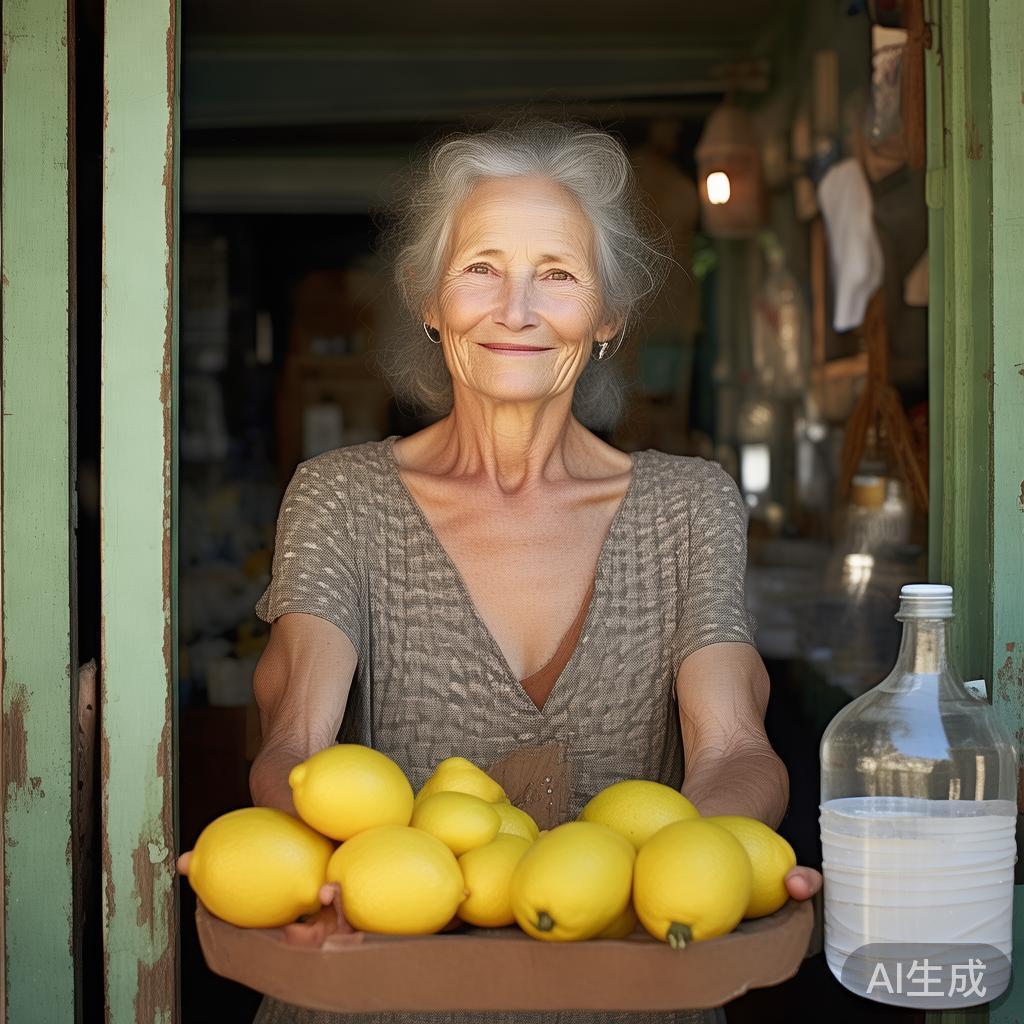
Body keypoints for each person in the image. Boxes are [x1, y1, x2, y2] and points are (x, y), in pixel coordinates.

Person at [180, 119, 822, 1024]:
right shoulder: (341, 497)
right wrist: (318, 864)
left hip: (633, 988)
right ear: (430, 299)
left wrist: (703, 862)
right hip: (381, 990)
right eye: (481, 267)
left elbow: (732, 749)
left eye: (557, 274)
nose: (515, 309)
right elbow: (295, 747)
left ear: (609, 315)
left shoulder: (690, 507)